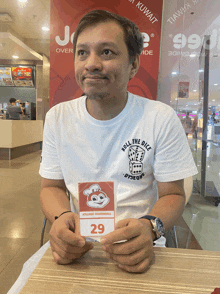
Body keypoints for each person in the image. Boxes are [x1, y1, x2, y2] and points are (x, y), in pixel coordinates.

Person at [8, 10, 198, 293]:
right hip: (78, 248)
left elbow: (173, 194)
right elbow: (51, 187)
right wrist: (60, 219)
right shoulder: (59, 118)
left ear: (133, 65)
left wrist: (150, 227)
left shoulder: (159, 117)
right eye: (82, 53)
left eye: (107, 52)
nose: (92, 64)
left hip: (140, 247)